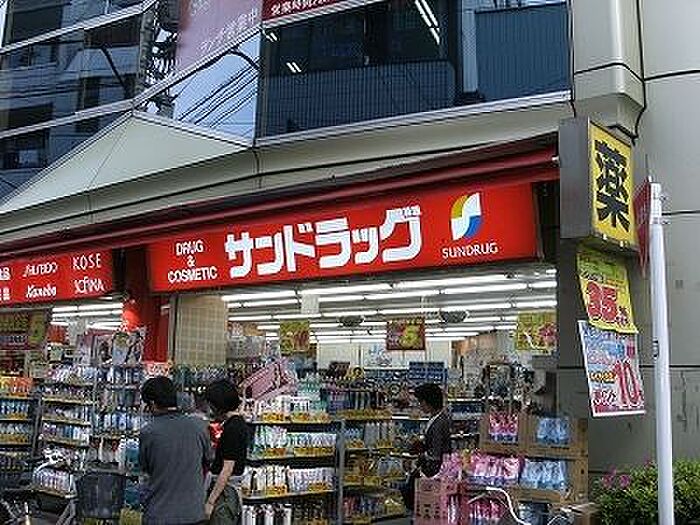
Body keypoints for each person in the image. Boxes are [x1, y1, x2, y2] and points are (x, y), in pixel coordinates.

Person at [139, 376, 212, 525]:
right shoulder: (199, 426)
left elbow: (145, 467)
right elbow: (208, 460)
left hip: (159, 513)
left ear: (152, 404)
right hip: (194, 514)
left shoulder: (149, 432)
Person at [204, 380, 250, 525]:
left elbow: (227, 469)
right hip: (227, 490)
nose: (210, 409)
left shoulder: (233, 428)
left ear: (218, 405)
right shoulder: (236, 423)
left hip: (225, 493)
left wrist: (210, 502)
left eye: (211, 404)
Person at [401, 383, 452, 511]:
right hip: (432, 469)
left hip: (434, 471)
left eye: (421, 402)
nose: (420, 405)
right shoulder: (436, 418)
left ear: (428, 402)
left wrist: (421, 456)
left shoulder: (439, 422)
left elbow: (435, 454)